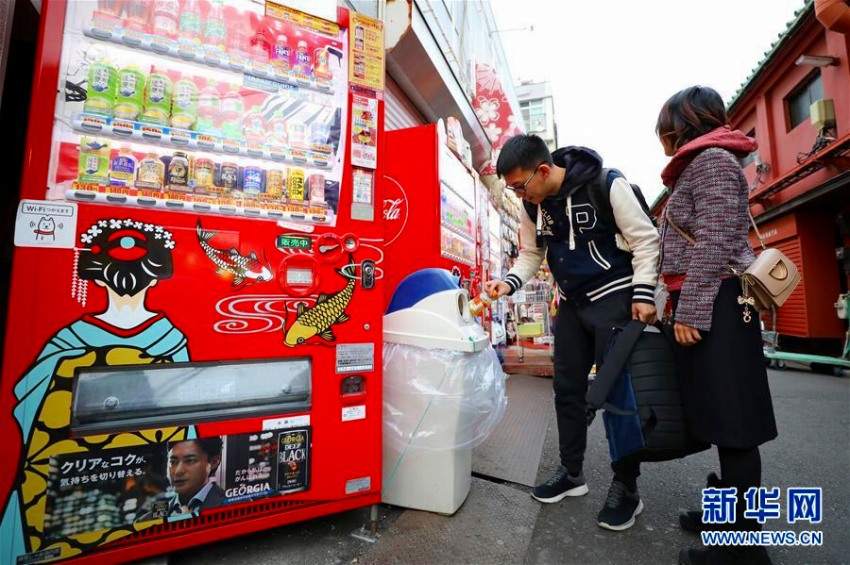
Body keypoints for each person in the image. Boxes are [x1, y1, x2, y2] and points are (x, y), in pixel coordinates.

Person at [484, 134, 660, 531]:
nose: (518, 194)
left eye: (519, 186)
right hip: (571, 306)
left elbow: (646, 239)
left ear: (543, 170)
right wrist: (509, 283)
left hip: (615, 300)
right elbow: (533, 253)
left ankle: (627, 486)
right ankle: (571, 472)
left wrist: (644, 291)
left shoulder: (606, 183)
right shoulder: (535, 207)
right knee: (566, 389)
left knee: (616, 394)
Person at [0, 218, 190, 559]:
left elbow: (25, 401)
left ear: (95, 272)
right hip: (140, 464)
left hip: (75, 468)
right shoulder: (171, 338)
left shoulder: (68, 340)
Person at [656, 85, 777, 565]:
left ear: (680, 125)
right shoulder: (706, 162)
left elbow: (715, 240)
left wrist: (691, 310)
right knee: (723, 416)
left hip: (717, 302)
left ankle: (743, 551)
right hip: (714, 301)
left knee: (735, 424)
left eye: (664, 128)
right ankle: (726, 514)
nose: (661, 139)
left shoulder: (711, 162)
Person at [166, 438, 226, 513]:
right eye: (173, 462)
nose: (178, 471)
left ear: (214, 462)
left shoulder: (230, 504)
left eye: (190, 460)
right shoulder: (151, 518)